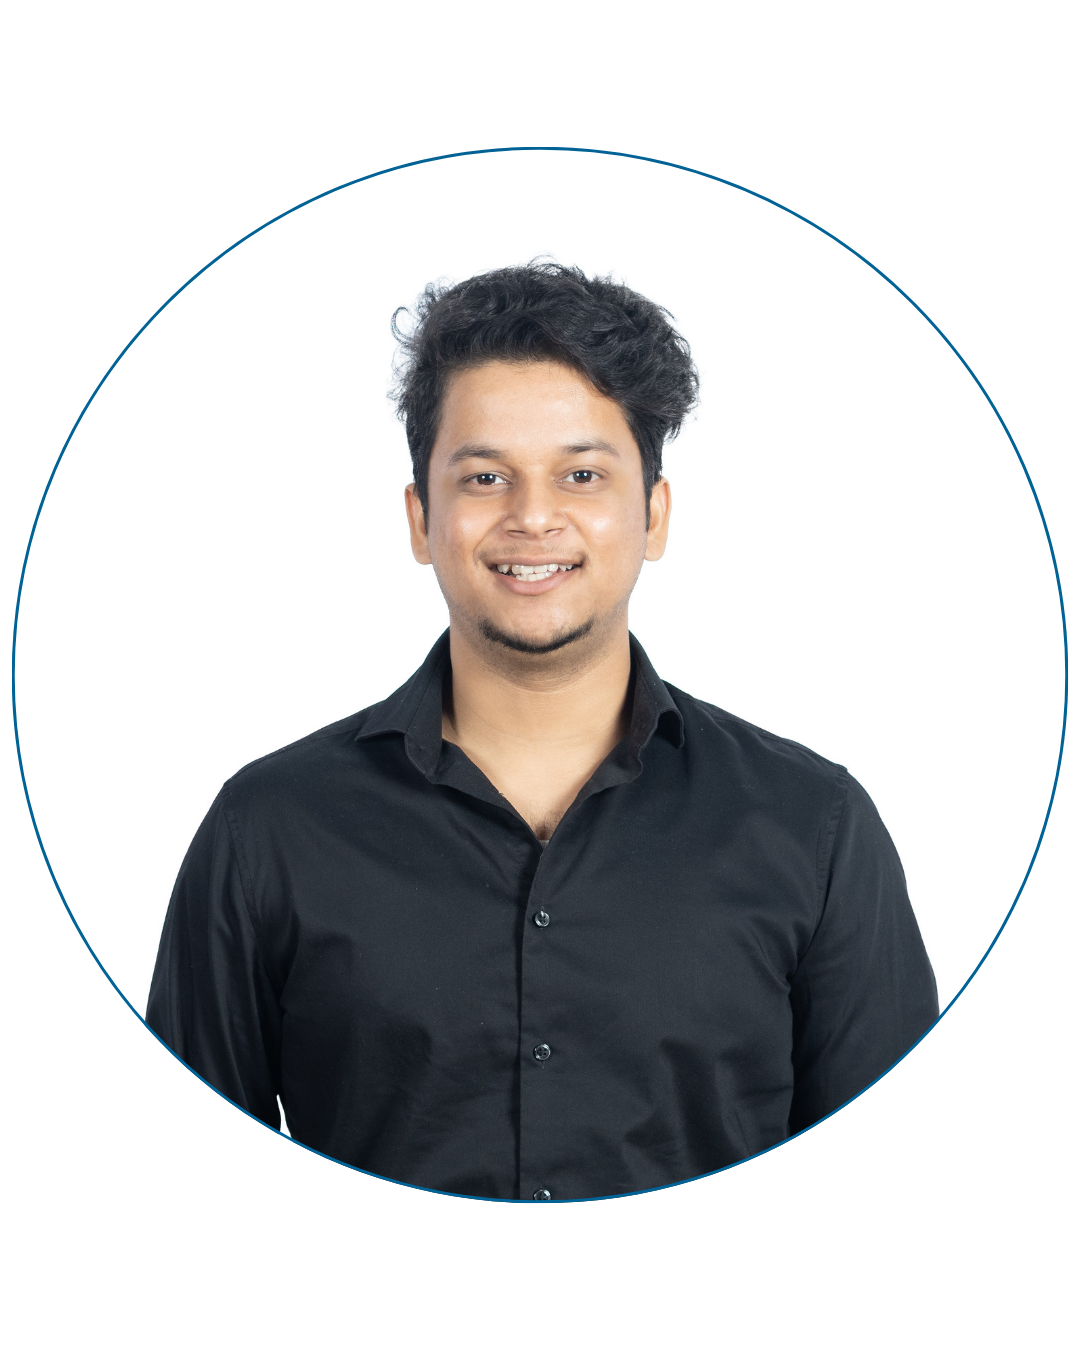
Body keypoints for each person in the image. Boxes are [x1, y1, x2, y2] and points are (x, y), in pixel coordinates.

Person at [147, 261, 938, 1202]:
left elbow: (889, 1199)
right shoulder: (268, 831)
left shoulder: (815, 827)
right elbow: (189, 1199)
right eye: (485, 477)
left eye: (581, 475)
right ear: (421, 519)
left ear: (653, 515)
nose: (532, 517)